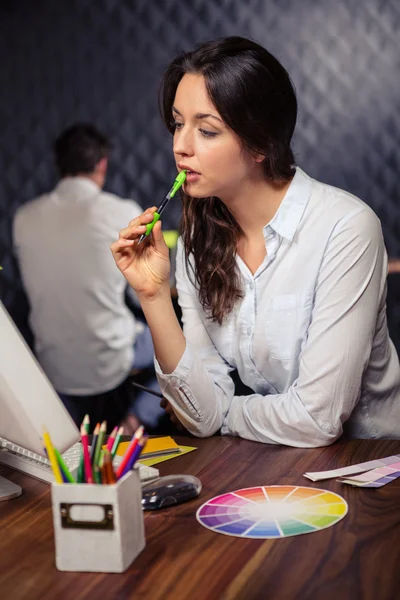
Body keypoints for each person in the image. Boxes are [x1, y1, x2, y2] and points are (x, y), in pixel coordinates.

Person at [111, 37, 400, 447]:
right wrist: (154, 295)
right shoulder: (197, 237)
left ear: (262, 143)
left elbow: (317, 419)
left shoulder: (346, 228)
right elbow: (200, 413)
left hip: (372, 463)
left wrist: (223, 412)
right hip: (277, 462)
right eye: (178, 123)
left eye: (206, 130)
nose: (180, 146)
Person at [13, 123, 165, 432]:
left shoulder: (23, 218)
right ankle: (135, 421)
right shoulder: (122, 212)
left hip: (54, 367)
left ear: (60, 165)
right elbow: (143, 292)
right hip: (111, 359)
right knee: (188, 347)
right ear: (102, 163)